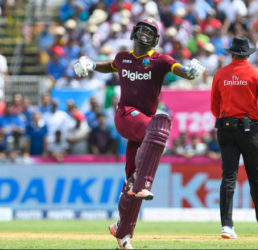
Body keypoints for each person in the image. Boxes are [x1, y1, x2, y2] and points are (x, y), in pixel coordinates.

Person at [74, 18, 205, 249]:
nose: (144, 34)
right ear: (134, 32)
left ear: (155, 38)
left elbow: (179, 69)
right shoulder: (123, 57)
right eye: (142, 29)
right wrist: (91, 65)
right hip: (125, 116)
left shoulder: (160, 60)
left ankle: (122, 231)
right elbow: (110, 65)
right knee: (160, 123)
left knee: (131, 179)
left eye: (150, 32)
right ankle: (143, 184)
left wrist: (191, 71)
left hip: (142, 126)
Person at [211, 36, 258, 240]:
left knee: (228, 178)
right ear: (247, 54)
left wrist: (225, 117)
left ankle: (227, 226)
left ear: (231, 53)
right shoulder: (257, 73)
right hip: (249, 130)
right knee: (256, 179)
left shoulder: (220, 74)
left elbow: (214, 106)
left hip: (225, 128)